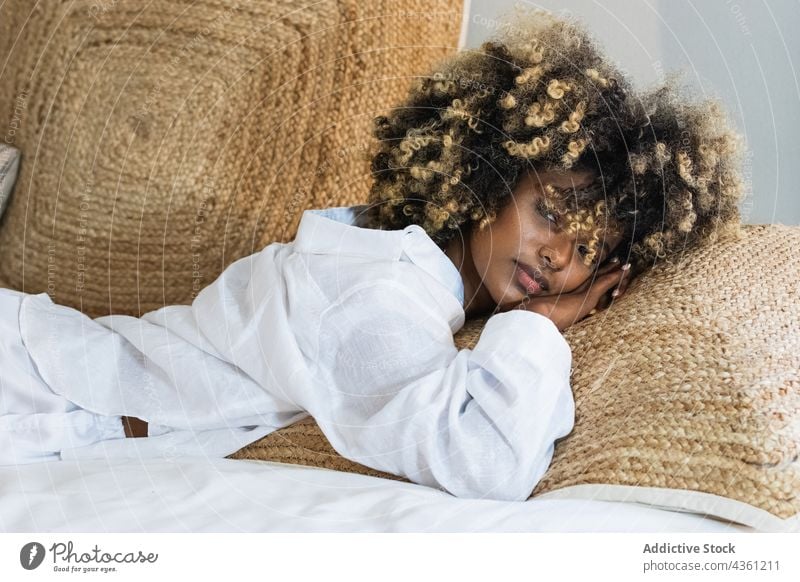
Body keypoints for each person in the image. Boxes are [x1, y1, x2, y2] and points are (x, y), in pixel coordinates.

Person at [0, 9, 744, 501]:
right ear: (488, 173)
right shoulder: (375, 288)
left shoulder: (419, 284)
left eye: (585, 248)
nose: (555, 256)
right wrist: (542, 326)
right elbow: (484, 462)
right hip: (32, 389)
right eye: (548, 210)